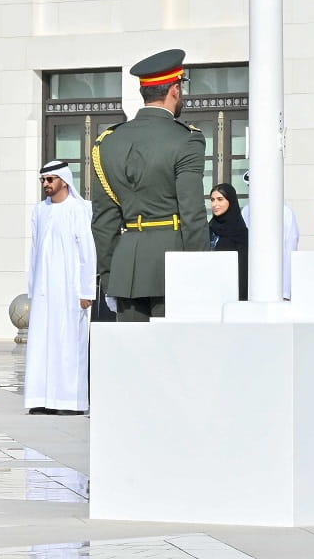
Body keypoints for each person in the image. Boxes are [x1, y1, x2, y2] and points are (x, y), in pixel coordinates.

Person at [91, 50, 208, 321]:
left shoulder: (108, 141)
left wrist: (110, 276)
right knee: (173, 356)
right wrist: (201, 270)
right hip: (173, 263)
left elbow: (104, 220)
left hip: (126, 266)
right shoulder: (186, 140)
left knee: (133, 357)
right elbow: (192, 213)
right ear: (175, 89)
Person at [25, 161, 96, 415]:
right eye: (43, 180)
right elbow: (34, 251)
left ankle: (70, 402)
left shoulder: (78, 209)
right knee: (42, 343)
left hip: (70, 289)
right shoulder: (39, 211)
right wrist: (32, 289)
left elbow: (87, 251)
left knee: (68, 343)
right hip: (44, 291)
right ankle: (42, 398)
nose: (46, 184)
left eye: (50, 180)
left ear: (64, 181)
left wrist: (87, 290)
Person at [239, 172, 300, 300]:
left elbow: (290, 252)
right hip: (253, 283)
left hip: (276, 282)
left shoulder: (285, 212)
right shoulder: (246, 211)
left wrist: (286, 292)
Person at [207, 182, 249, 299]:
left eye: (220, 199)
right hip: (210, 289)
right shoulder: (209, 228)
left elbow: (243, 270)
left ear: (230, 201)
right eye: (212, 200)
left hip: (232, 293)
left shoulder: (240, 233)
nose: (215, 204)